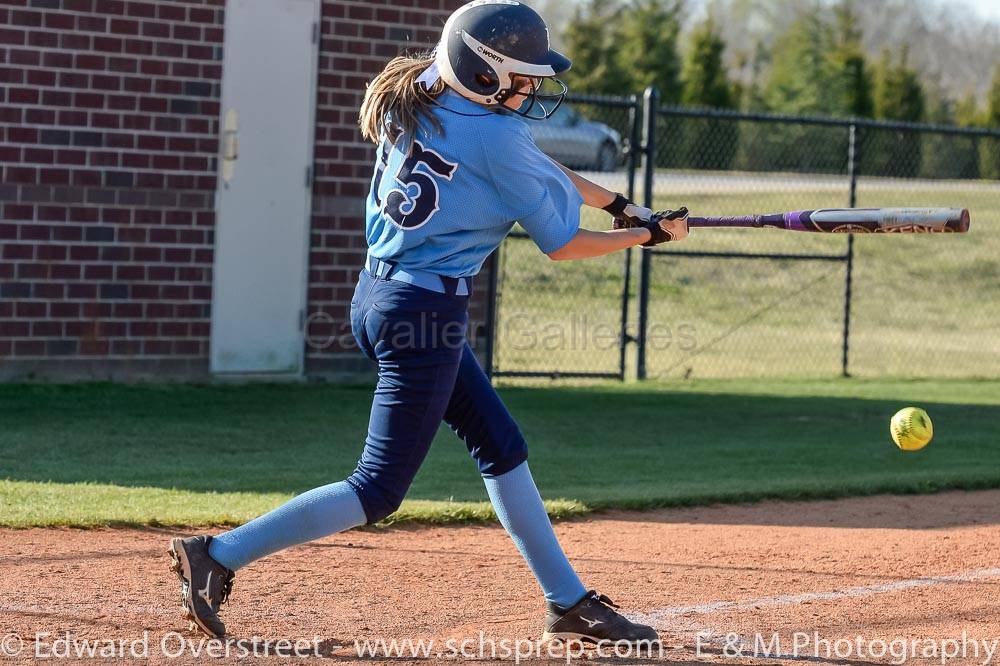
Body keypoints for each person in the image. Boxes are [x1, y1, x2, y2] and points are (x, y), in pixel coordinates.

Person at [168, 0, 688, 647]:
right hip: (424, 316)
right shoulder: (498, 139)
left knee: (501, 445)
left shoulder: (418, 88)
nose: (530, 89)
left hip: (378, 296)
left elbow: (534, 163)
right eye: (521, 78)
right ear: (484, 71)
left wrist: (623, 205)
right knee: (378, 488)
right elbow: (562, 243)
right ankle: (218, 554)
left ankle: (568, 602)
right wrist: (643, 238)